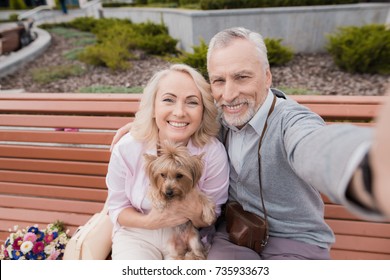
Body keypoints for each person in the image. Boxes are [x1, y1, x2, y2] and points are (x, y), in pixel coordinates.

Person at [111, 27, 390, 260]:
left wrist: (367, 166)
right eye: (219, 81)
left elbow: (315, 145)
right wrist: (143, 130)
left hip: (294, 242)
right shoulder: (219, 119)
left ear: (267, 76)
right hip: (233, 236)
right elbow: (176, 122)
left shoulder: (291, 123)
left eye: (242, 77)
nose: (230, 93)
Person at [106, 64, 230, 260]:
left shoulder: (212, 152)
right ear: (153, 108)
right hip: (137, 233)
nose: (179, 112)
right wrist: (151, 221)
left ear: (203, 111)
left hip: (188, 235)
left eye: (192, 102)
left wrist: (194, 212)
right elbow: (117, 209)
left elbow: (212, 214)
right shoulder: (128, 147)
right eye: (168, 100)